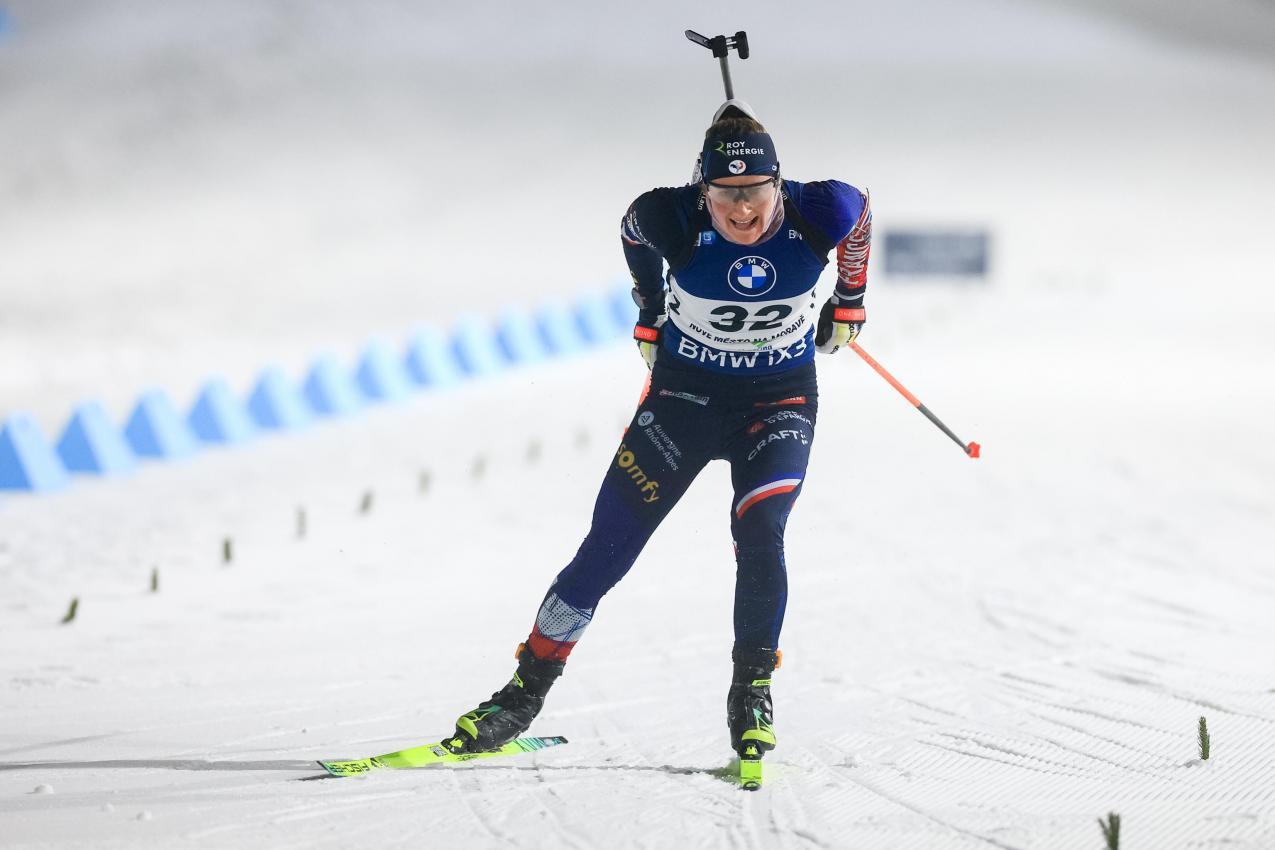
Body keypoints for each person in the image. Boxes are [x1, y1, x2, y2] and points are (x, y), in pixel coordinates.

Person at [446, 101, 871, 768]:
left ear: (777, 185)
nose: (741, 212)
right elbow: (631, 234)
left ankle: (752, 689)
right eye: (725, 195)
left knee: (760, 529)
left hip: (778, 399)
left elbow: (861, 215)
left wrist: (850, 298)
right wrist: (650, 310)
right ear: (702, 189)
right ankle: (522, 694)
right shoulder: (665, 215)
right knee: (608, 545)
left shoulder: (823, 210)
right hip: (683, 401)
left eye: (755, 193)